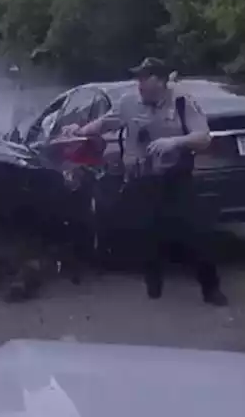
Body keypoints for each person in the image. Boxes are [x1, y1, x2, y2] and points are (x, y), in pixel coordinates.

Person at [62, 57, 228, 305]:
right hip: (142, 179)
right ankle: (153, 277)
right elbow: (105, 122)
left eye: (145, 77)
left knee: (196, 233)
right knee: (145, 232)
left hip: (175, 178)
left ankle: (211, 288)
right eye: (137, 77)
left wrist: (174, 142)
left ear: (160, 81)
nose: (139, 83)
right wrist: (79, 131)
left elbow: (203, 137)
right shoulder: (129, 102)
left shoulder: (182, 102)